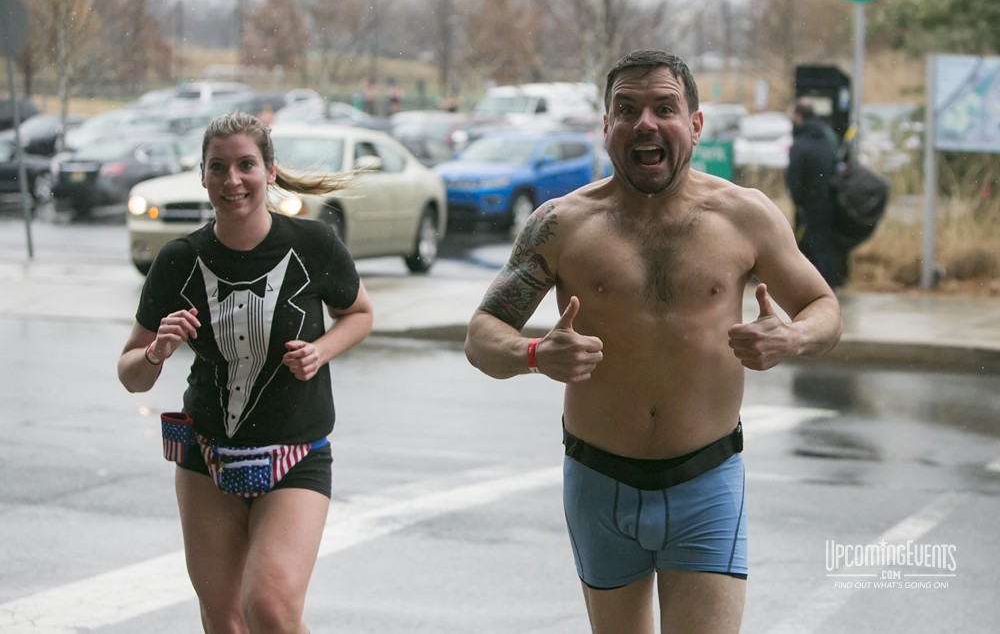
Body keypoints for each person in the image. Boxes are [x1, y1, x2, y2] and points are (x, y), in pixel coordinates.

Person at [464, 50, 842, 633]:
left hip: (706, 482)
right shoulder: (562, 224)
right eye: (627, 109)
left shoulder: (745, 216)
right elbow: (482, 336)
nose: (645, 124)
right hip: (598, 484)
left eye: (664, 107)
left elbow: (825, 309)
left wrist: (791, 337)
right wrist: (535, 354)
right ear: (607, 126)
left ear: (694, 123)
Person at [117, 111, 373, 634]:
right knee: (224, 619)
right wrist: (156, 351)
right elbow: (130, 374)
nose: (232, 180)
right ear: (204, 177)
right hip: (205, 458)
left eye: (246, 165)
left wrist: (321, 351)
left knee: (271, 610)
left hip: (295, 454)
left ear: (270, 172)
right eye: (218, 167)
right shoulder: (179, 260)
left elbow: (360, 314)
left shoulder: (313, 245)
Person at [786, 98, 844, 288]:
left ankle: (809, 287)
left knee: (804, 247)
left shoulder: (801, 144)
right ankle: (831, 284)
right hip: (828, 201)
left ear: (799, 117)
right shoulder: (827, 139)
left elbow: (794, 179)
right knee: (825, 245)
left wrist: (799, 201)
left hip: (808, 206)